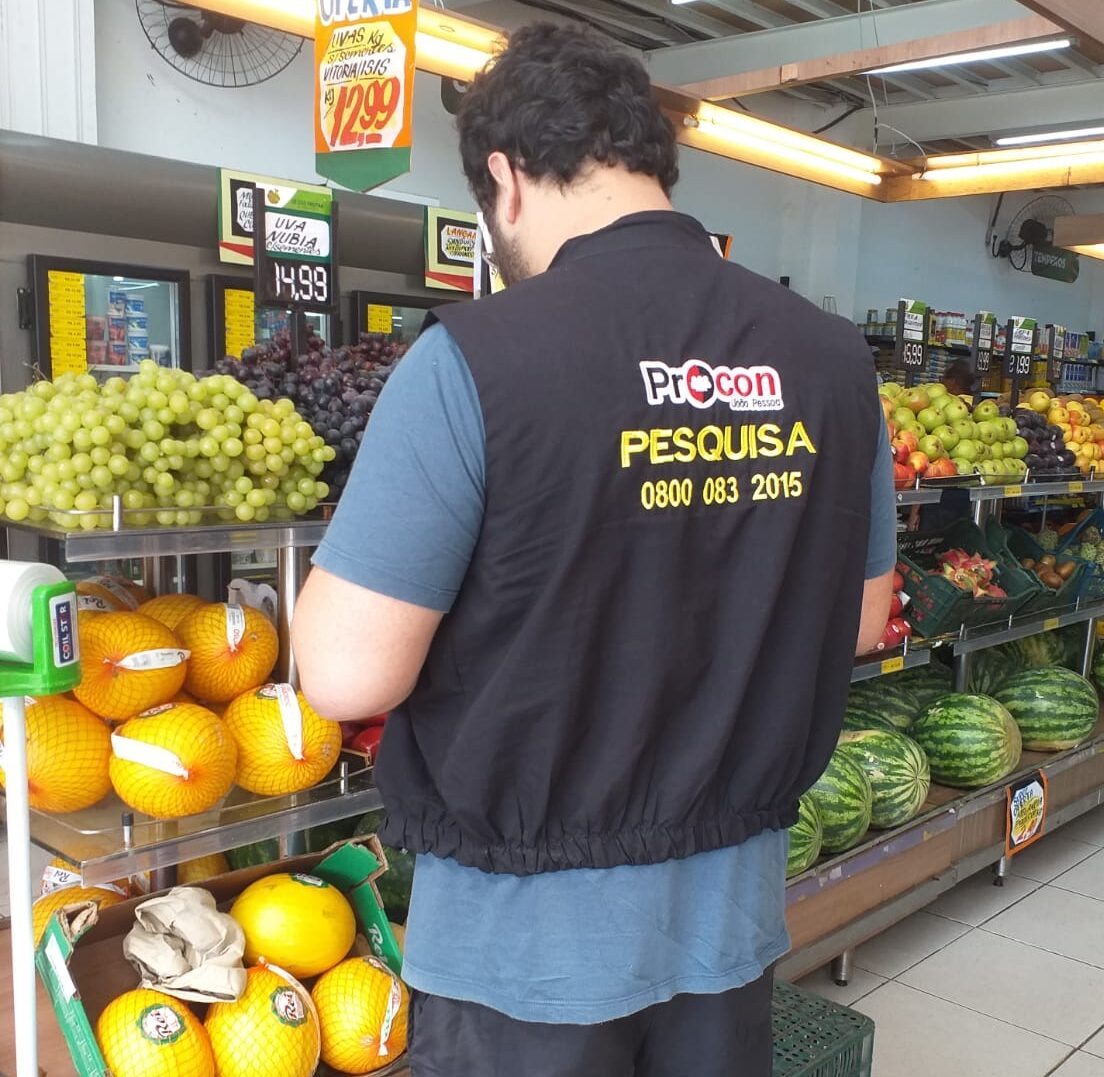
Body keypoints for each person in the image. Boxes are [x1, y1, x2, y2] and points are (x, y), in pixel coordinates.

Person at [291, 23, 895, 1077]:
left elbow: (346, 676)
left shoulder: (475, 360)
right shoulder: (832, 361)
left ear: (505, 178)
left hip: (523, 951)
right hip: (729, 919)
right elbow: (856, 620)